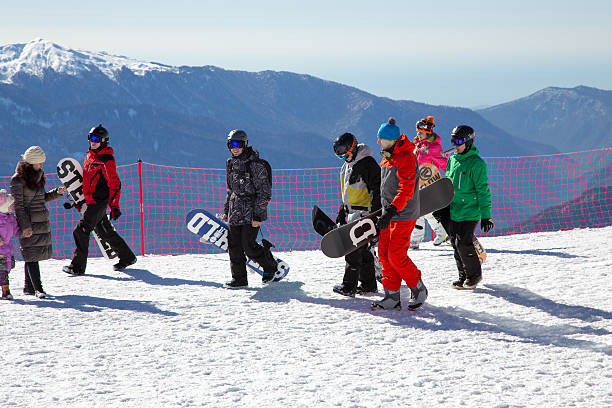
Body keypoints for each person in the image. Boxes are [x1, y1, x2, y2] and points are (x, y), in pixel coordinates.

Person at [63, 125, 136, 276]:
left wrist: (114, 206)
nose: (92, 141)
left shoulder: (106, 160)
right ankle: (127, 257)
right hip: (92, 201)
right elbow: (88, 182)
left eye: (96, 138)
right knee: (104, 231)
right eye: (90, 138)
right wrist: (80, 201)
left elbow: (115, 184)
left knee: (81, 230)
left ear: (104, 140)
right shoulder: (90, 157)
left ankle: (77, 267)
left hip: (100, 201)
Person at [371, 118, 428, 310]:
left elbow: (406, 189)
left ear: (391, 139)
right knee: (384, 254)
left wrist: (392, 210)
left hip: (403, 214)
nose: (378, 142)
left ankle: (418, 288)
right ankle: (392, 295)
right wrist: (383, 210)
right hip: (389, 213)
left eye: (381, 138)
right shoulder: (388, 156)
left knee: (396, 255)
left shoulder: (406, 157)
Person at [433, 125, 493, 289]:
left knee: (463, 243)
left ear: (468, 141)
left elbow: (483, 191)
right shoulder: (452, 159)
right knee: (454, 242)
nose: (455, 145)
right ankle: (463, 276)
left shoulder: (477, 164)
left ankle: (474, 276)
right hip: (453, 208)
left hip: (470, 210)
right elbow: (448, 184)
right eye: (453, 141)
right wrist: (441, 206)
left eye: (458, 141)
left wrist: (486, 215)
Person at [222, 129, 277, 287]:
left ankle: (270, 266)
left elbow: (264, 192)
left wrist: (258, 215)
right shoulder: (230, 163)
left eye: (238, 144)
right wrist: (227, 211)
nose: (235, 148)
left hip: (250, 211)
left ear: (245, 144)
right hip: (234, 209)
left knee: (249, 246)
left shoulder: (255, 165)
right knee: (234, 246)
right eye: (231, 144)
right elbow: (230, 189)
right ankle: (239, 279)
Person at [10, 146, 66, 298]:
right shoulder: (17, 180)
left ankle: (28, 287)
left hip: (40, 221)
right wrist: (25, 226)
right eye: (39, 162)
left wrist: (56, 193)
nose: (42, 165)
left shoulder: (38, 176)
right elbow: (18, 206)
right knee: (31, 255)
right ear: (31, 162)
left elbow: (41, 198)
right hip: (28, 222)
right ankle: (38, 289)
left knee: (31, 255)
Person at [332, 132, 381, 297]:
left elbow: (377, 190)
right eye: (340, 157)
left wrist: (375, 214)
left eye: (345, 155)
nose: (344, 158)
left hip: (364, 213)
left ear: (353, 148)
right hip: (352, 213)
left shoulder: (368, 164)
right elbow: (347, 191)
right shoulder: (347, 165)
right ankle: (368, 285)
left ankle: (348, 286)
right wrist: (342, 210)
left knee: (351, 250)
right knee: (363, 250)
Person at [410, 116, 448, 248]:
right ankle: (416, 239)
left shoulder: (433, 148)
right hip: (416, 183)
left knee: (427, 211)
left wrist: (451, 173)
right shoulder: (419, 145)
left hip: (428, 184)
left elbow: (444, 163)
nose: (418, 135)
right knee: (417, 211)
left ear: (427, 133)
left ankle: (440, 232)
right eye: (417, 132)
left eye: (420, 133)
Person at [0, 190, 19, 300]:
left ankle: (5, 290)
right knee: (2, 271)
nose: (12, 207)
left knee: (7, 269)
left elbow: (16, 230)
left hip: (7, 249)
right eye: (10, 205)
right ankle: (6, 291)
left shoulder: (11, 217)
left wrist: (23, 233)